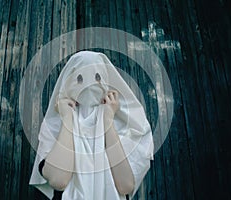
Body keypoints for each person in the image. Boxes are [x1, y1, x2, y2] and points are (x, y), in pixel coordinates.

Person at [29, 51, 153, 200]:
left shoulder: (120, 122)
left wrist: (107, 121)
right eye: (80, 78)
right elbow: (58, 180)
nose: (89, 84)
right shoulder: (56, 122)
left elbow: (125, 185)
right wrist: (68, 119)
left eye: (97, 77)